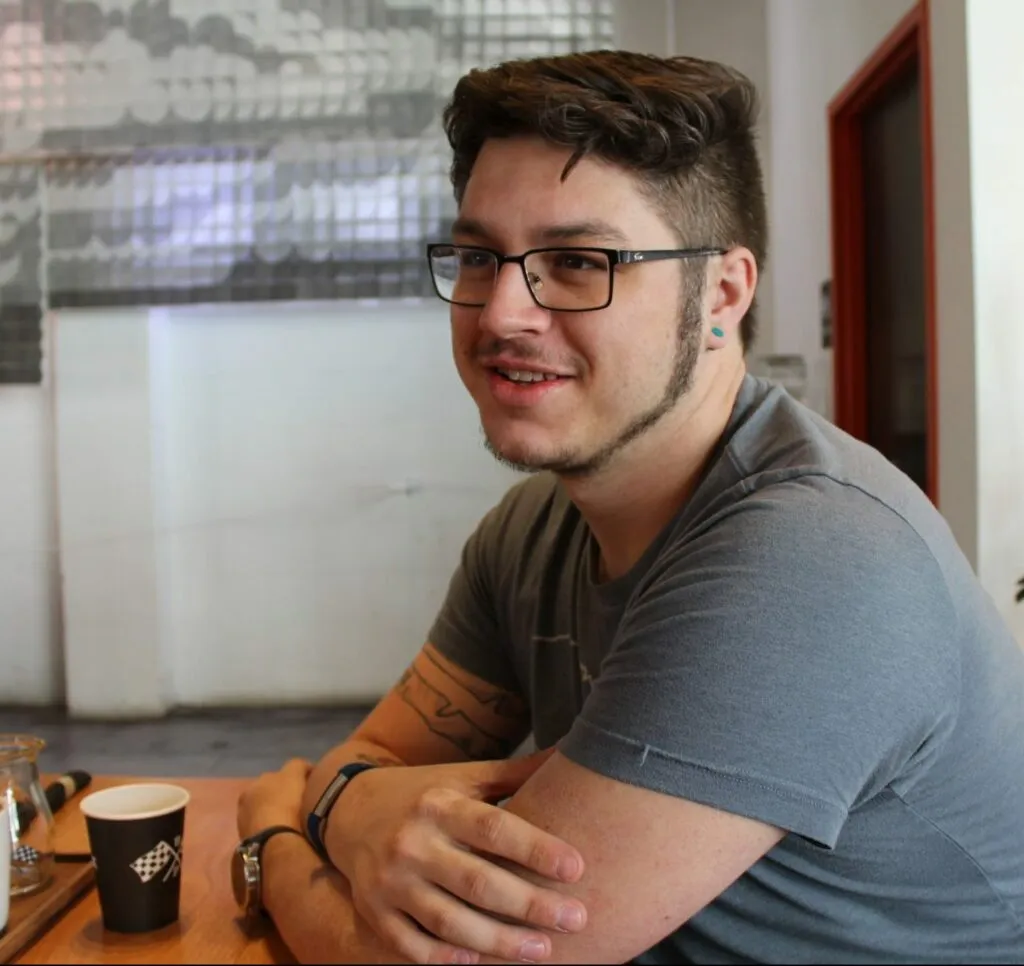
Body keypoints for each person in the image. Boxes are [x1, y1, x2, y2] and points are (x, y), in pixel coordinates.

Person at [235, 50, 1024, 965]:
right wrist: (353, 802)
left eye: (578, 261)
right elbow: (375, 755)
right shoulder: (530, 533)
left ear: (723, 293)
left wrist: (277, 838)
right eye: (481, 256)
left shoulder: (815, 559)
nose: (501, 315)